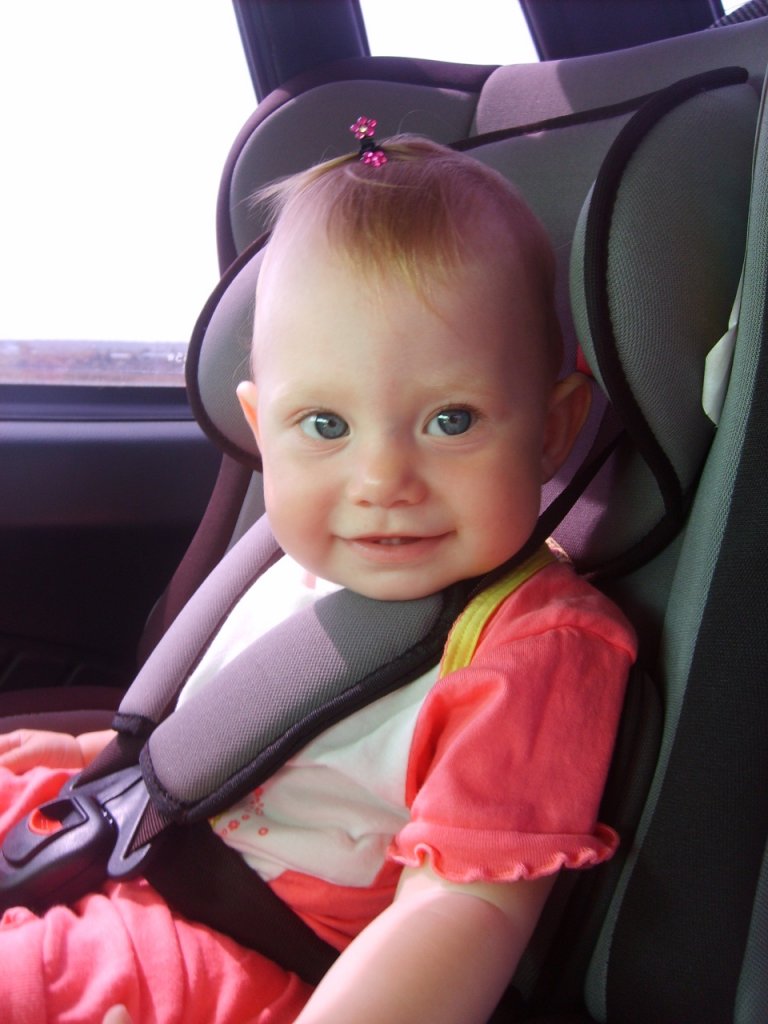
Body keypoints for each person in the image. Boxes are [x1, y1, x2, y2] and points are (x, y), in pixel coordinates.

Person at [0, 125, 636, 1023]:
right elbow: (235, 727)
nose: (382, 481)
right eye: (326, 426)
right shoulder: (288, 558)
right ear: (263, 430)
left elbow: (463, 913)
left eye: (452, 420)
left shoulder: (536, 644)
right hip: (144, 836)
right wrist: (97, 758)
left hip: (242, 948)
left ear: (553, 430)